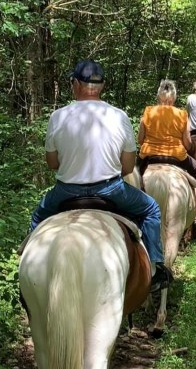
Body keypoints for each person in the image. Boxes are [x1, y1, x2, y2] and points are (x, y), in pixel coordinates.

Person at [29, 60, 172, 292]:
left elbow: (52, 163)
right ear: (102, 86)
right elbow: (127, 168)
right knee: (151, 209)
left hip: (66, 191)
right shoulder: (119, 116)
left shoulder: (58, 116)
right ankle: (155, 269)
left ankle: (27, 272)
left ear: (75, 84)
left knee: (37, 218)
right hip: (111, 190)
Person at [138, 80, 196, 224]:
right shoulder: (181, 114)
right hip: (177, 157)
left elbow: (140, 139)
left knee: (127, 176)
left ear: (159, 96)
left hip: (149, 156)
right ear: (174, 98)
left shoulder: (148, 112)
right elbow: (188, 144)